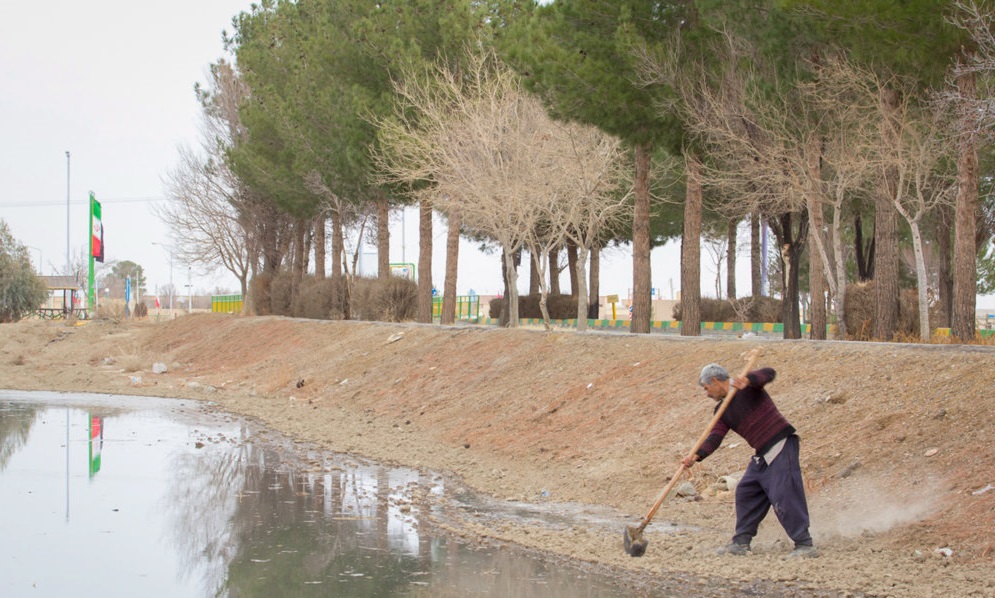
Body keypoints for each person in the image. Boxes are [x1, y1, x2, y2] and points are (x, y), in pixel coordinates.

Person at [681, 363, 817, 559]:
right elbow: (715, 437)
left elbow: (769, 373)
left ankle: (805, 544)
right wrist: (696, 456)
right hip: (762, 452)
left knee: (783, 492)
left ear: (716, 381)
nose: (706, 393)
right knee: (746, 490)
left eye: (706, 388)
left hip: (781, 442)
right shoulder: (721, 410)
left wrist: (749, 379)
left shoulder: (748, 388)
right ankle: (741, 542)